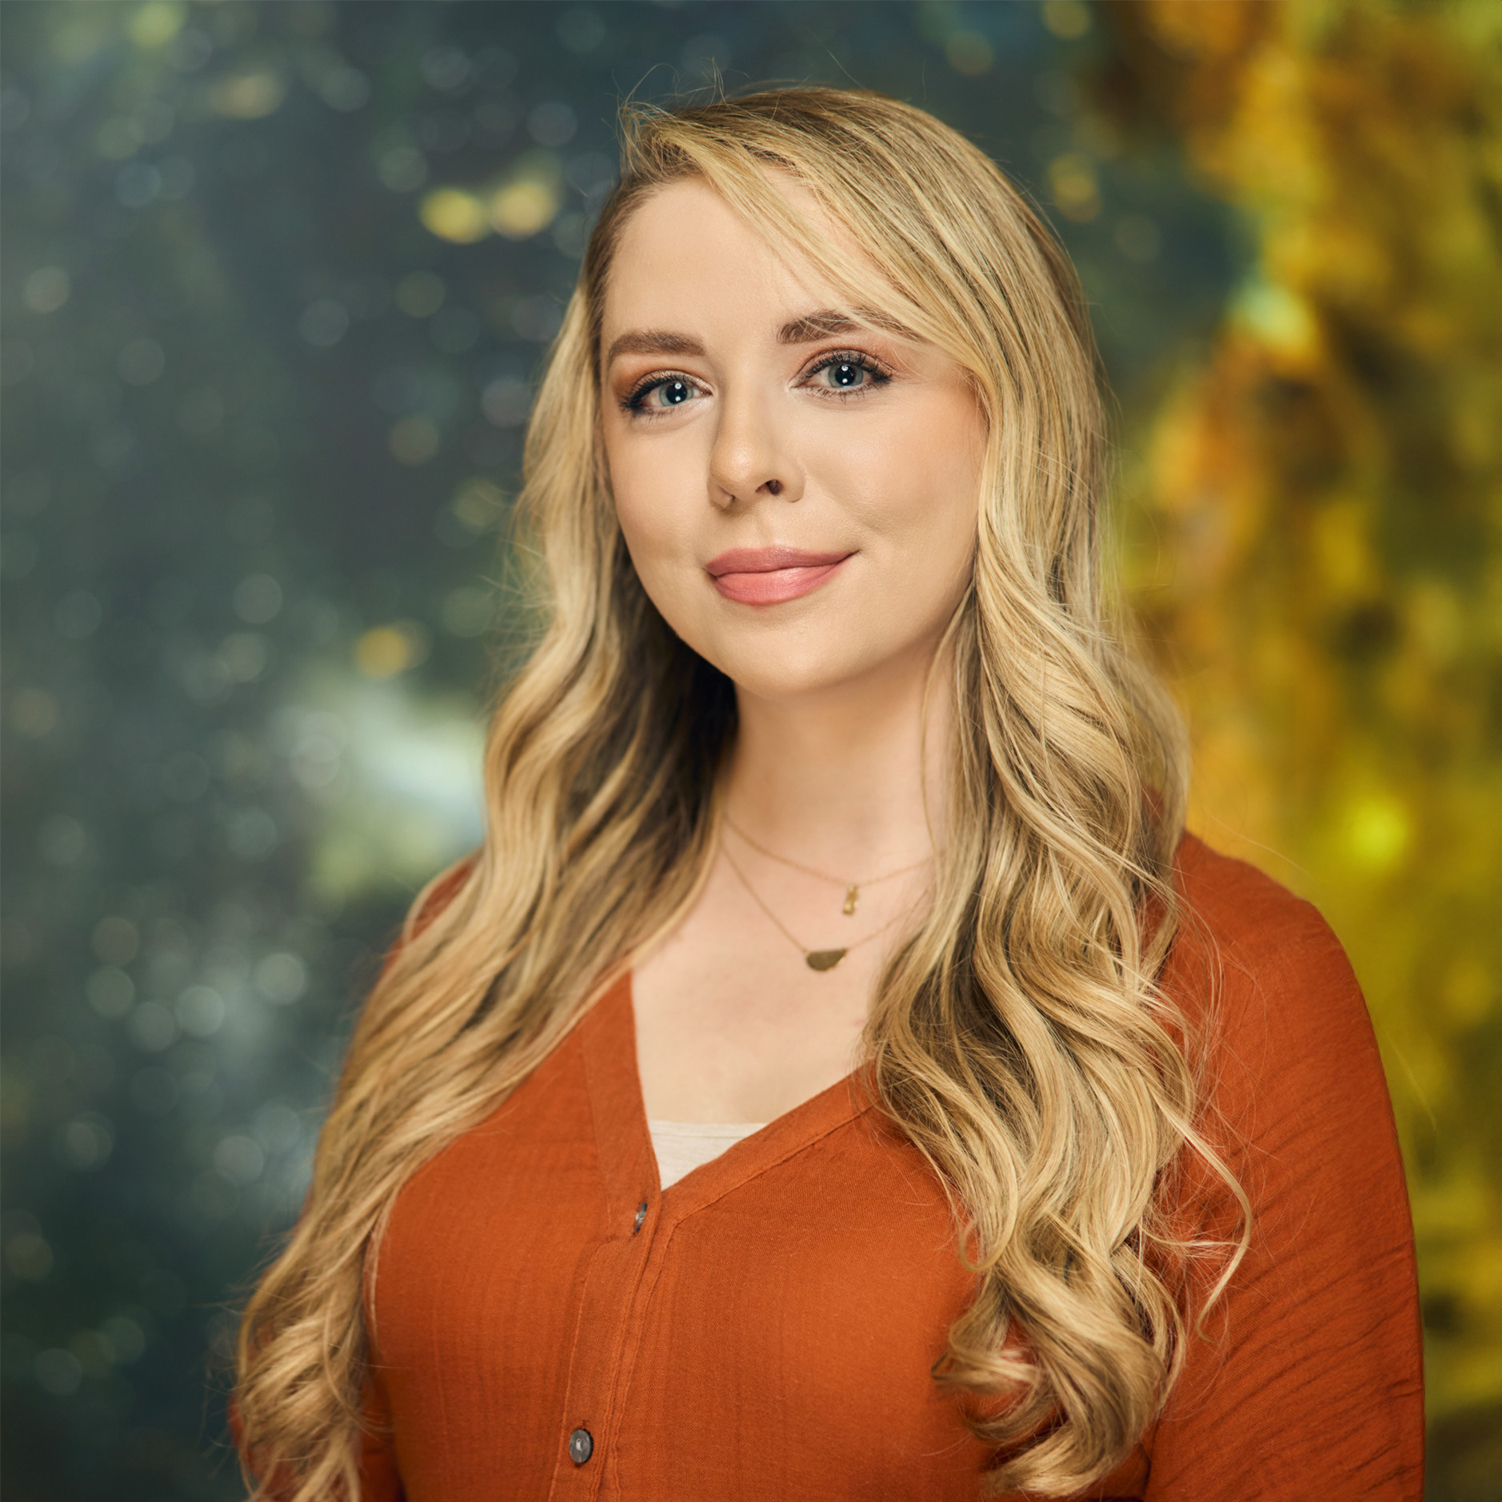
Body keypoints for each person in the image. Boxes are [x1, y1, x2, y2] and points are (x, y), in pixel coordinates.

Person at [232, 88, 1422, 1501]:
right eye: (665, 390)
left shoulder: (1231, 996)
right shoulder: (476, 945)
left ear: (1012, 415)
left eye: (842, 369)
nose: (742, 464)